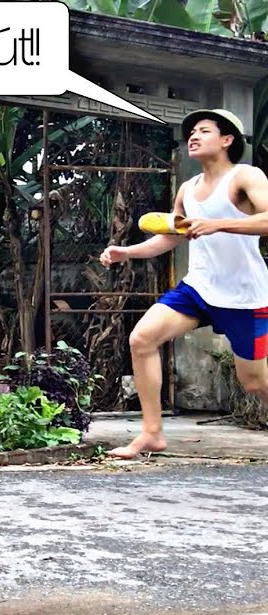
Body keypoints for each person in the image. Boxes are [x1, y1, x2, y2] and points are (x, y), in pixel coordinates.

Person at [99, 108, 268, 459]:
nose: (193, 136)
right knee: (142, 339)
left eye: (204, 130)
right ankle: (151, 433)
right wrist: (126, 252)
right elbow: (171, 237)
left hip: (244, 296)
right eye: (191, 132)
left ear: (227, 139)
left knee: (254, 382)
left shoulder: (245, 176)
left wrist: (218, 224)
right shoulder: (188, 189)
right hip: (198, 288)